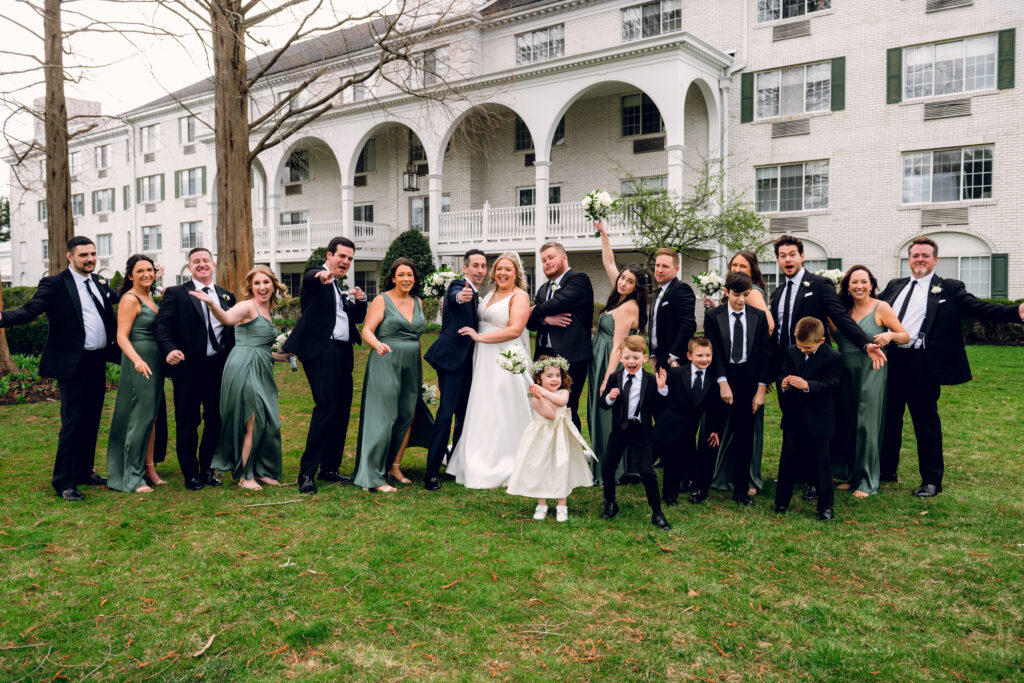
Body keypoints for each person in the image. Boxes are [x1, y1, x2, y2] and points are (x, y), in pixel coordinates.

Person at [879, 236, 1024, 497]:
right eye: (915, 255)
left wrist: (1016, 312)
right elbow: (870, 310)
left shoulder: (949, 288)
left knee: (926, 422)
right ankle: (886, 471)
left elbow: (979, 308)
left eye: (925, 255)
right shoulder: (894, 286)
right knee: (888, 419)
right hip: (891, 360)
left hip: (922, 363)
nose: (920, 259)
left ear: (935, 260)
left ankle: (932, 481)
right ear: (908, 260)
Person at [0, 236, 120, 501]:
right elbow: (31, 311)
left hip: (97, 360)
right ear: (69, 256)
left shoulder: (98, 282)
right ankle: (64, 481)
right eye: (83, 255)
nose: (89, 259)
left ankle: (84, 471)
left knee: (92, 419)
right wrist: (2, 317)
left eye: (92, 254)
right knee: (73, 421)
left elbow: (117, 298)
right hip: (72, 363)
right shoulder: (54, 284)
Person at [769, 234, 885, 500]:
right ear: (778, 260)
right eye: (782, 256)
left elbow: (842, 318)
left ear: (802, 256)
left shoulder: (819, 285)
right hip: (788, 367)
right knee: (794, 423)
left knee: (814, 425)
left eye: (792, 254)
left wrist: (866, 344)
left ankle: (815, 480)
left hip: (815, 369)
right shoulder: (777, 292)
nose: (787, 260)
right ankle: (796, 473)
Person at [191, 266, 291, 490]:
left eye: (266, 282)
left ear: (273, 285)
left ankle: (260, 470)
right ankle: (245, 476)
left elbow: (259, 346)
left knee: (266, 420)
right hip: (244, 367)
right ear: (251, 287)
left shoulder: (268, 310)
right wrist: (212, 304)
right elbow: (226, 318)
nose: (262, 287)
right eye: (257, 283)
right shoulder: (247, 306)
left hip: (261, 366)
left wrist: (281, 357)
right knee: (253, 420)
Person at [283, 237, 368, 495]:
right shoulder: (317, 278)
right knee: (326, 407)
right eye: (342, 256)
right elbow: (311, 276)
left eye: (350, 259)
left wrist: (362, 300)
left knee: (341, 410)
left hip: (343, 352)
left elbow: (355, 318)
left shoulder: (337, 289)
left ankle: (329, 468)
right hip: (322, 351)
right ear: (329, 254)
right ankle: (307, 473)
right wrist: (321, 274)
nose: (346, 262)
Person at [447, 252, 533, 489]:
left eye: (508, 269)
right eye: (499, 269)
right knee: (483, 406)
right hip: (483, 359)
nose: (503, 273)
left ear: (517, 273)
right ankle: (477, 456)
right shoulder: (490, 295)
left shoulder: (520, 296)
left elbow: (515, 330)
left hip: (505, 358)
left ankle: (507, 461)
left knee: (503, 408)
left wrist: (480, 338)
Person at [154, 247, 236, 491]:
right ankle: (190, 474)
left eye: (205, 260)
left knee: (215, 420)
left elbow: (232, 332)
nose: (201, 264)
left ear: (213, 264)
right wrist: (168, 349)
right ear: (189, 268)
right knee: (187, 423)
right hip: (187, 370)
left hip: (217, 370)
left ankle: (207, 469)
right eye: (196, 261)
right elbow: (162, 327)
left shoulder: (226, 296)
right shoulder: (177, 294)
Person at [354, 258, 434, 493]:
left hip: (411, 366)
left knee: (406, 415)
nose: (406, 279)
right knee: (384, 416)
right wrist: (377, 345)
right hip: (386, 361)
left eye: (410, 274)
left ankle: (394, 466)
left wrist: (419, 372)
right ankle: (374, 475)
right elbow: (367, 330)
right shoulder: (382, 300)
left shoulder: (417, 301)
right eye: (401, 275)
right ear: (393, 277)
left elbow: (417, 339)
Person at [832, 266, 909, 497]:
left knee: (866, 423)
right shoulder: (839, 310)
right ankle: (849, 474)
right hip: (844, 372)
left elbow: (905, 336)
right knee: (846, 422)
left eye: (863, 282)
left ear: (871, 284)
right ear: (847, 286)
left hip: (872, 370)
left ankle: (866, 480)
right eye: (854, 282)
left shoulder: (881, 307)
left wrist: (890, 335)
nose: (859, 286)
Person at [707, 250, 774, 497]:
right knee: (712, 431)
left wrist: (760, 389)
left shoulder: (757, 317)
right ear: (726, 292)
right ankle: (704, 482)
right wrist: (722, 383)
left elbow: (766, 354)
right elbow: (714, 352)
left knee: (745, 436)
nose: (741, 300)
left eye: (746, 295)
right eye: (737, 295)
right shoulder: (714, 316)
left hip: (749, 380)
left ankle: (742, 489)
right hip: (723, 378)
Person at [588, 219, 648, 486]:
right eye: (623, 278)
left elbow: (618, 347)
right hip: (599, 357)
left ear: (637, 287)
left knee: (606, 411)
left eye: (629, 281)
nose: (622, 282)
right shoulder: (620, 294)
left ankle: (609, 466)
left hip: (609, 362)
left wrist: (608, 379)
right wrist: (604, 234)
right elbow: (608, 263)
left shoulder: (627, 307)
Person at [422, 249, 488, 491]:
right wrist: (461, 297)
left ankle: (455, 463)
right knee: (446, 414)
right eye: (476, 265)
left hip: (468, 362)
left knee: (463, 414)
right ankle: (431, 473)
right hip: (451, 360)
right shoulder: (459, 285)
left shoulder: (479, 294)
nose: (481, 270)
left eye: (483, 266)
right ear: (465, 268)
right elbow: (454, 296)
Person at [106, 254, 168, 493]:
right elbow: (121, 336)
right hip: (139, 362)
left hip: (154, 362)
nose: (146, 274)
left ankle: (149, 469)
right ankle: (131, 476)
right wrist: (137, 360)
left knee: (151, 417)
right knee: (137, 418)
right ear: (130, 275)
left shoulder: (149, 296)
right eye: (140, 271)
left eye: (150, 270)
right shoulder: (130, 299)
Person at [507, 356, 595, 522]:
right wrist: (539, 397)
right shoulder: (535, 397)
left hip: (560, 436)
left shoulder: (563, 392)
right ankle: (542, 504)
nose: (555, 379)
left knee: (561, 467)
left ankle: (562, 505)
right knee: (541, 467)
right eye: (549, 376)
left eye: (557, 375)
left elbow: (561, 402)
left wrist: (542, 391)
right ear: (539, 378)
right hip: (541, 437)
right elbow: (551, 414)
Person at [775, 317, 843, 521]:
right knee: (787, 458)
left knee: (822, 463)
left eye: (807, 347)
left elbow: (833, 384)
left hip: (820, 417)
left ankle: (825, 507)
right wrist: (784, 383)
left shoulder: (833, 357)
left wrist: (808, 386)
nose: (802, 350)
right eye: (799, 345)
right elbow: (783, 373)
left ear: (821, 341)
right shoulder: (791, 351)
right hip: (795, 416)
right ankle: (781, 502)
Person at [598, 335, 670, 529]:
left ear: (644, 358)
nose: (631, 362)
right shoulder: (615, 377)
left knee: (647, 472)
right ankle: (610, 503)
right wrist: (610, 398)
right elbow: (603, 404)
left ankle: (657, 513)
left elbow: (660, 408)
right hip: (620, 429)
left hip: (642, 431)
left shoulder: (651, 380)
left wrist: (662, 390)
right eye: (627, 358)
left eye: (636, 358)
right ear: (621, 358)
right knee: (607, 467)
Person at [526, 241, 594, 431]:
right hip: (543, 356)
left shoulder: (579, 280)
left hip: (571, 356)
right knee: (541, 406)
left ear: (564, 257)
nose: (547, 263)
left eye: (551, 258)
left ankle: (573, 457)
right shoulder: (542, 289)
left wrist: (533, 310)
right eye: (543, 260)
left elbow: (558, 303)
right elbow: (530, 322)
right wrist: (546, 320)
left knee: (567, 408)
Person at [659, 337, 723, 506]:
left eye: (708, 355)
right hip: (671, 424)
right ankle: (669, 495)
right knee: (671, 459)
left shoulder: (713, 379)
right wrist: (662, 388)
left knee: (689, 456)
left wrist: (714, 429)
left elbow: (714, 408)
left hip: (691, 427)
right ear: (689, 356)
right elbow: (665, 400)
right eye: (699, 355)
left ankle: (695, 485)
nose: (704, 359)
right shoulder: (677, 373)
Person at [647, 247, 697, 370]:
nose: (659, 270)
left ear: (676, 270)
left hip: (674, 361)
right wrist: (653, 354)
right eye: (657, 265)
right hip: (660, 357)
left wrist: (673, 357)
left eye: (665, 266)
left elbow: (688, 325)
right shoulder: (659, 290)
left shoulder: (681, 289)